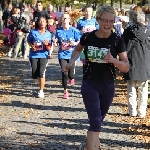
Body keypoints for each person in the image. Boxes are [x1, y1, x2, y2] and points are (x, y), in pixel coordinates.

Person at [63, 6, 129, 150]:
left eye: (111, 21)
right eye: (104, 20)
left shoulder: (117, 39)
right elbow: (77, 50)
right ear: (97, 19)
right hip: (89, 83)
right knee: (95, 121)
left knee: (98, 122)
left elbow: (126, 66)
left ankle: (87, 147)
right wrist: (71, 62)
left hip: (108, 85)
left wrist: (114, 60)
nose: (107, 24)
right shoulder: (88, 36)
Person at [122, 11, 150, 118]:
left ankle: (132, 111)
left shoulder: (128, 31)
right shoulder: (148, 32)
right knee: (143, 89)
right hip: (144, 64)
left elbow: (123, 46)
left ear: (133, 20)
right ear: (144, 20)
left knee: (131, 88)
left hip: (131, 63)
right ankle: (142, 112)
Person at [53, 12, 81, 99]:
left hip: (72, 55)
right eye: (63, 18)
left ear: (69, 20)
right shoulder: (58, 31)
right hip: (62, 54)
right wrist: (55, 42)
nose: (64, 20)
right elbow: (57, 43)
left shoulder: (74, 31)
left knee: (70, 74)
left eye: (66, 18)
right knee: (64, 72)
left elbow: (80, 43)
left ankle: (71, 78)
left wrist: (74, 43)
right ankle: (65, 91)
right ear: (61, 20)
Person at [27, 17, 52, 98]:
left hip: (44, 55)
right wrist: (32, 46)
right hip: (34, 55)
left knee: (41, 72)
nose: (41, 22)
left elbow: (49, 47)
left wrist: (47, 44)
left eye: (43, 21)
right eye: (40, 21)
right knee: (35, 74)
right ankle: (36, 76)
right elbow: (29, 41)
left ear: (46, 23)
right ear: (38, 23)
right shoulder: (33, 32)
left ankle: (41, 91)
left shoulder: (48, 34)